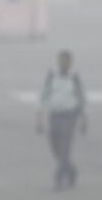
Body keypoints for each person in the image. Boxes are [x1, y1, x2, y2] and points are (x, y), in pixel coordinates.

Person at [36, 49, 87, 190]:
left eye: (66, 61)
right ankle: (70, 169)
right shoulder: (52, 75)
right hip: (55, 114)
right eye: (61, 60)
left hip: (70, 115)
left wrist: (84, 119)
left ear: (70, 63)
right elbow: (43, 95)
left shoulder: (74, 77)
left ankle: (58, 178)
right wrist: (39, 117)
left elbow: (81, 98)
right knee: (54, 145)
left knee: (65, 147)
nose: (64, 63)